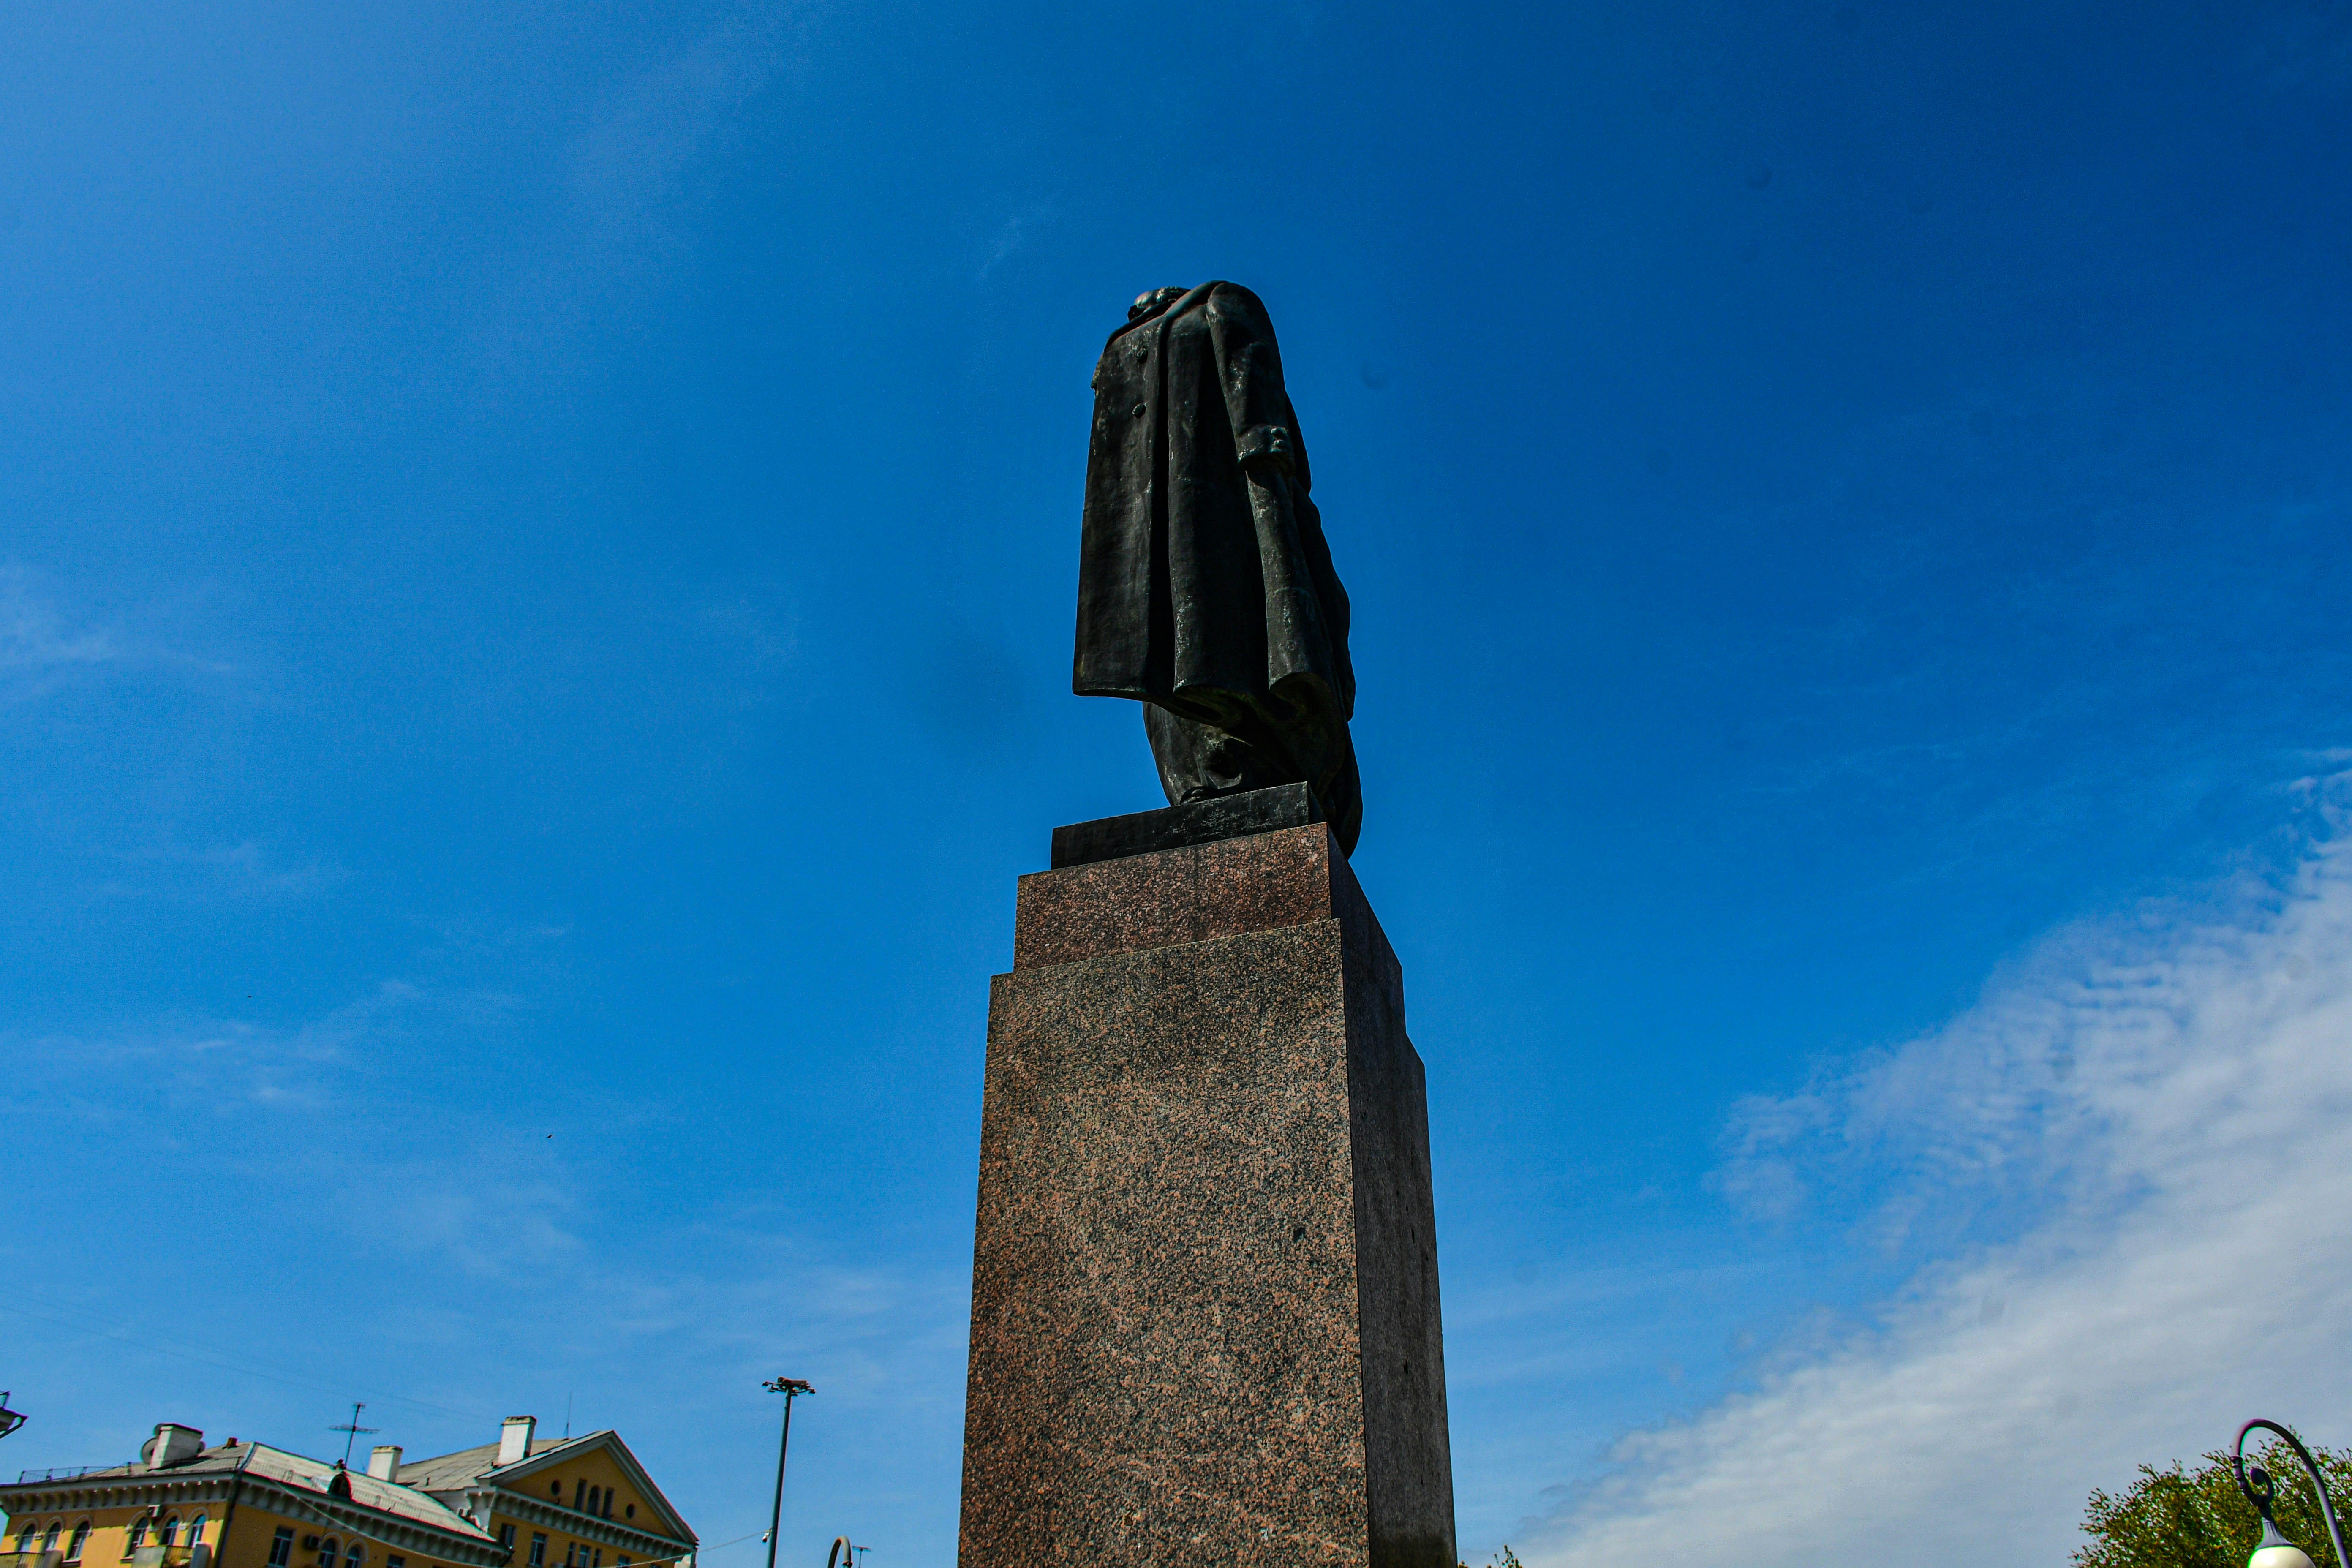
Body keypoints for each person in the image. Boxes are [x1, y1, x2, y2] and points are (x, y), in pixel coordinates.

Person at [1073, 282, 1362, 852]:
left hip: (1221, 498)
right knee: (1164, 653)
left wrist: (1265, 454)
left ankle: (1255, 755)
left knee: (1231, 624)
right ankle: (1199, 772)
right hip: (1151, 522)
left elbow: (1255, 382)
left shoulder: (1218, 303)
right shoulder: (1124, 347)